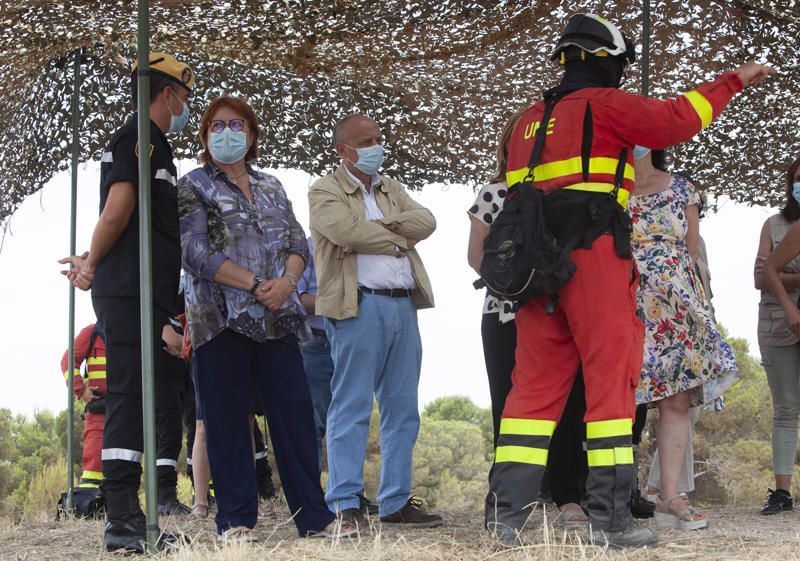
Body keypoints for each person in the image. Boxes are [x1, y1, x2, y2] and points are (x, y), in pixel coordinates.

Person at [484, 12, 772, 549]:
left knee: (533, 388)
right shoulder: (608, 104)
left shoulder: (526, 119)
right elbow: (678, 120)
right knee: (611, 382)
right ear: (608, 61)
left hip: (535, 266)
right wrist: (732, 80)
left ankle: (504, 517)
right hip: (594, 253)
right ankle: (610, 519)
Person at [179, 95, 343, 542]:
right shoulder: (192, 184)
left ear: (250, 135)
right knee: (227, 420)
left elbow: (297, 242)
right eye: (216, 126)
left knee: (294, 417)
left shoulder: (272, 185)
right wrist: (254, 285)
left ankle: (314, 517)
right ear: (205, 135)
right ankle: (235, 520)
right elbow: (194, 251)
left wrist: (288, 283)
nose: (226, 133)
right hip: (219, 319)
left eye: (236, 125)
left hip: (278, 320)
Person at [59, 52, 195, 553]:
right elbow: (117, 212)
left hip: (147, 293)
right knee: (127, 398)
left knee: (137, 399)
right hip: (128, 289)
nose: (184, 107)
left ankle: (130, 513)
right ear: (167, 94)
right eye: (184, 97)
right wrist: (93, 262)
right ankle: (121, 520)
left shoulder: (155, 144)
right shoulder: (136, 137)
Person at [308, 113, 442, 530]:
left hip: (403, 305)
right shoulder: (324, 189)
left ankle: (395, 502)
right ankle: (345, 502)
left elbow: (428, 221)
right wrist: (398, 237)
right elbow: (347, 234)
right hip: (357, 307)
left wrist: (376, 229)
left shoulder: (390, 186)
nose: (375, 147)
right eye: (365, 141)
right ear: (342, 150)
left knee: (403, 408)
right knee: (350, 406)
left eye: (378, 139)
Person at [467, 112, 588, 528]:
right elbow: (476, 256)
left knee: (570, 406)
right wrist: (517, 283)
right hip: (503, 315)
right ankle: (507, 498)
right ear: (507, 148)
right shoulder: (491, 193)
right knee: (508, 406)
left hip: (558, 316)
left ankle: (569, 496)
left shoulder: (565, 191)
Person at [630, 148, 738, 531]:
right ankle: (610, 495)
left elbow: (692, 251)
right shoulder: (611, 187)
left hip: (678, 304)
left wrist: (699, 308)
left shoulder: (682, 188)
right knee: (620, 398)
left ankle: (670, 497)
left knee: (676, 399)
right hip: (624, 301)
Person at [297, 236, 379, 515]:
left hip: (356, 340)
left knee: (353, 416)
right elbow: (297, 298)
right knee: (315, 423)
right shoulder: (307, 248)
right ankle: (310, 497)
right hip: (318, 343)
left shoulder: (361, 245)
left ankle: (349, 494)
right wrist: (338, 301)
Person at [757, 157, 800, 514]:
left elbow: (772, 272)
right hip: (777, 323)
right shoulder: (775, 225)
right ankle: (783, 493)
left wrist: (783, 276)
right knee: (786, 408)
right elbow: (762, 276)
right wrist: (789, 299)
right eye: (798, 179)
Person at [60, 323, 107, 490]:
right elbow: (67, 361)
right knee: (93, 466)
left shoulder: (132, 329)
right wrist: (81, 390)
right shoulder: (93, 332)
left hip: (126, 410)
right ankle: (91, 510)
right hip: (99, 411)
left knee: (125, 463)